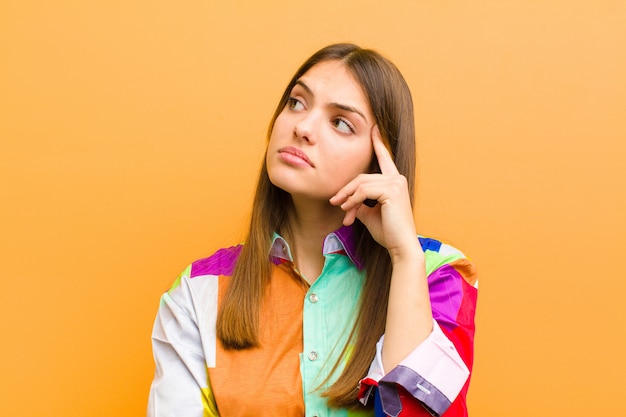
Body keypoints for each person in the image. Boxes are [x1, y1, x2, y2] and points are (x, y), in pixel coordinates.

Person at [147, 43, 478, 417]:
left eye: (340, 123)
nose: (301, 127)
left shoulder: (438, 273)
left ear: (380, 159)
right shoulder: (196, 291)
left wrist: (403, 258)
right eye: (297, 102)